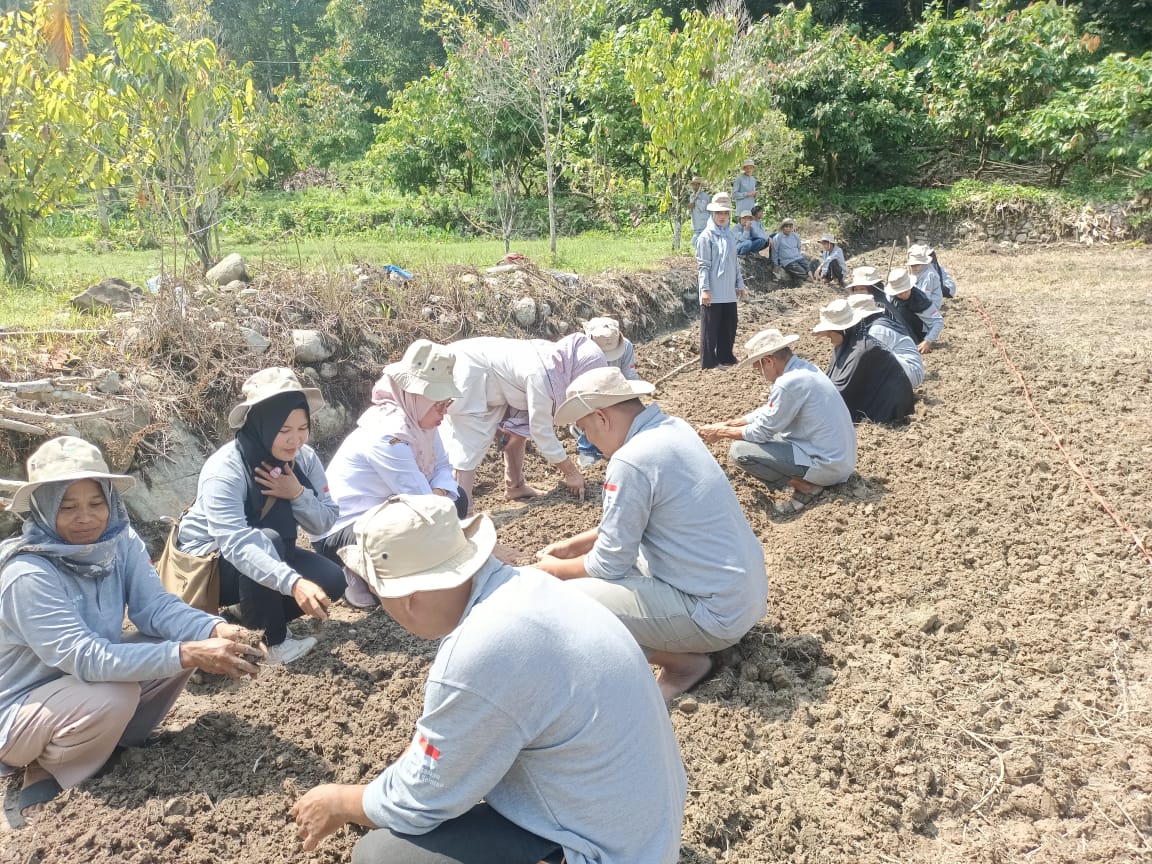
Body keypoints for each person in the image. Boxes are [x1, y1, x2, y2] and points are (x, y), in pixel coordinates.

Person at [291, 494, 687, 864]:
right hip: (639, 829)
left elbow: (421, 801)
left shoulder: (483, 648)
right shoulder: (532, 588)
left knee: (380, 856)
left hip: (604, 850)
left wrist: (340, 801)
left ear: (407, 597)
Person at [0, 437, 264, 825]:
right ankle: (48, 768)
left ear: (111, 501)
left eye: (96, 503)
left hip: (80, 691)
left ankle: (110, 743)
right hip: (19, 711)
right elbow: (85, 657)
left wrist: (215, 628)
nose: (86, 518)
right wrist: (190, 653)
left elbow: (155, 607)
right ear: (42, 510)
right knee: (118, 691)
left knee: (176, 644)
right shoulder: (28, 575)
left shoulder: (118, 544)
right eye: (67, 507)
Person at [534, 368, 768, 700]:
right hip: (742, 598)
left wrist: (550, 572)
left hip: (714, 616)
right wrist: (572, 546)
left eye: (584, 429)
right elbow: (629, 524)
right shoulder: (673, 429)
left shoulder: (632, 460)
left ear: (602, 417)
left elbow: (609, 564)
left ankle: (683, 664)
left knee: (571, 599)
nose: (587, 443)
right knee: (608, 571)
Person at [177, 368, 346, 664]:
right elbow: (237, 544)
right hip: (212, 565)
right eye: (284, 430)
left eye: (303, 428)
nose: (296, 440)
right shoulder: (225, 470)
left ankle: (245, 613)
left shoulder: (303, 459)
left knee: (331, 581)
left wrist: (296, 494)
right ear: (261, 424)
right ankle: (271, 642)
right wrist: (293, 583)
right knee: (265, 539)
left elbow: (326, 521)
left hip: (271, 550)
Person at [313, 341, 465, 609]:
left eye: (446, 404)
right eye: (438, 405)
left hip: (387, 508)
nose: (444, 413)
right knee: (427, 520)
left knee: (456, 500)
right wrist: (437, 498)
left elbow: (442, 466)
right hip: (342, 529)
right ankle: (355, 568)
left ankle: (385, 569)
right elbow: (420, 501)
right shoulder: (388, 434)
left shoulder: (420, 422)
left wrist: (439, 494)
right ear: (416, 397)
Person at [698, 330, 857, 514]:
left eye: (758, 367)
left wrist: (720, 433)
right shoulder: (804, 370)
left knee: (740, 451)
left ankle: (807, 488)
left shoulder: (787, 383)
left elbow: (760, 432)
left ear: (768, 360)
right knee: (770, 433)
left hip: (828, 465)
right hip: (839, 458)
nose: (758, 372)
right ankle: (808, 480)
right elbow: (771, 412)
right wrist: (730, 424)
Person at [440, 334, 605, 511]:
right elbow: (541, 430)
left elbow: (524, 425)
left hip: (493, 382)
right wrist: (571, 473)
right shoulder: (543, 375)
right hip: (468, 375)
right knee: (470, 445)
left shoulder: (559, 363)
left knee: (516, 432)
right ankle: (462, 512)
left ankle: (515, 486)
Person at [812, 298, 915, 424]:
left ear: (842, 330)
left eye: (829, 334)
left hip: (887, 405)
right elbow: (833, 378)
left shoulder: (862, 350)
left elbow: (842, 389)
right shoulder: (848, 342)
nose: (829, 339)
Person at [576, 317, 640, 467]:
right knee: (590, 416)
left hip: (617, 388)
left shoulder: (627, 347)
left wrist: (633, 398)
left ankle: (624, 445)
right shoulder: (583, 353)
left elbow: (629, 374)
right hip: (592, 389)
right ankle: (587, 450)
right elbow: (583, 382)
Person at [694, 191, 748, 370]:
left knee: (729, 326)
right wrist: (705, 289)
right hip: (714, 290)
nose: (722, 216)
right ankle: (709, 362)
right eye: (719, 213)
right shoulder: (706, 237)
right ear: (712, 214)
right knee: (711, 329)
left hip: (728, 291)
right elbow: (703, 266)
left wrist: (740, 285)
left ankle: (726, 357)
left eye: (725, 213)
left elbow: (734, 263)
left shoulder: (729, 235)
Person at [845, 294, 925, 388]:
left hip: (911, 373)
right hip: (907, 369)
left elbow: (871, 358)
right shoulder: (876, 322)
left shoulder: (877, 330)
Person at [884, 268, 944, 355]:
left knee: (902, 310)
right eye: (898, 293)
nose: (900, 295)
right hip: (898, 331)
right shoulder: (890, 296)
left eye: (903, 292)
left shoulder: (920, 299)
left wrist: (927, 341)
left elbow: (938, 321)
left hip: (918, 332)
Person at [845, 265, 908, 332]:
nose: (858, 292)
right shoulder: (877, 303)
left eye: (862, 289)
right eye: (856, 289)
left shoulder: (878, 306)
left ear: (873, 289)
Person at [906, 244, 944, 309]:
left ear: (923, 264)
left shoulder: (929, 275)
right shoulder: (918, 273)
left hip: (931, 305)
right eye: (912, 265)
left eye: (917, 265)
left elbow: (925, 296)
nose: (914, 267)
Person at [687, 176, 709, 241]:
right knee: (696, 242)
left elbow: (702, 208)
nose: (695, 186)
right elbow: (690, 211)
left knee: (698, 241)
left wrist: (696, 201)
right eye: (693, 184)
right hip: (695, 224)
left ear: (700, 186)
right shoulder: (692, 196)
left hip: (704, 224)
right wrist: (689, 208)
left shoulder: (705, 196)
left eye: (697, 184)